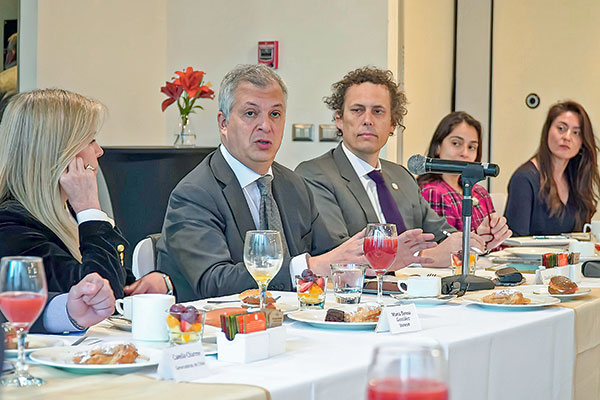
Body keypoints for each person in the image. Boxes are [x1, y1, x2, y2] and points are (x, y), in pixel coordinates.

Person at [157, 64, 369, 301]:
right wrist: (306, 267)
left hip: (295, 323)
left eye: (275, 114)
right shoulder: (195, 194)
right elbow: (215, 282)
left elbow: (329, 256)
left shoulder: (294, 185)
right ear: (223, 123)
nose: (266, 126)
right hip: (224, 330)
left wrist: (377, 263)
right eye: (250, 113)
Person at [296, 67, 510, 268]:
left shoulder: (401, 175)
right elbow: (341, 255)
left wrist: (475, 239)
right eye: (357, 110)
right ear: (339, 120)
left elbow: (441, 235)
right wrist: (424, 257)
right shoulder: (316, 174)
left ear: (392, 125)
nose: (368, 120)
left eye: (378, 111)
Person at [0, 89, 169, 299]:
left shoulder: (68, 211)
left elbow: (118, 285)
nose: (99, 151)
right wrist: (90, 211)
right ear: (58, 153)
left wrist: (143, 286)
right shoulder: (11, 228)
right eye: (90, 140)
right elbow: (97, 297)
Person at [505, 101, 600, 236]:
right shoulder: (524, 178)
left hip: (570, 257)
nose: (567, 137)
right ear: (547, 131)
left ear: (582, 142)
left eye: (576, 132)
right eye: (561, 128)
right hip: (533, 257)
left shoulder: (576, 179)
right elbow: (514, 242)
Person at [417, 111, 510, 237]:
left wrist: (499, 233)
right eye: (456, 143)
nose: (465, 153)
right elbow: (444, 247)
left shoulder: (480, 192)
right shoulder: (433, 192)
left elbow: (497, 247)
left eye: (472, 147)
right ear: (438, 146)